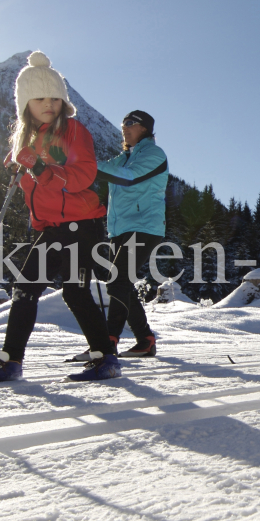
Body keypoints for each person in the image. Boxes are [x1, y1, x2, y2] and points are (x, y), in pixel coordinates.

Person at [0, 52, 121, 383]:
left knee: (74, 292)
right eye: (39, 98)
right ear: (25, 104)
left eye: (54, 97)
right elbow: (38, 194)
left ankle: (106, 359)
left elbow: (82, 176)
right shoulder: (29, 140)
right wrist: (24, 174)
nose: (48, 103)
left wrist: (39, 167)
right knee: (26, 286)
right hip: (50, 229)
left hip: (80, 226)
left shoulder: (73, 131)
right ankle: (11, 361)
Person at [72, 110, 168, 359]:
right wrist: (69, 162)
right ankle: (145, 340)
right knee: (121, 284)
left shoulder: (154, 155)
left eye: (130, 123)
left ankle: (106, 343)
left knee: (118, 282)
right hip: (120, 229)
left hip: (144, 227)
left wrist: (89, 167)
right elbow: (96, 169)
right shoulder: (124, 157)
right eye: (123, 123)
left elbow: (129, 178)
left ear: (144, 128)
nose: (124, 127)